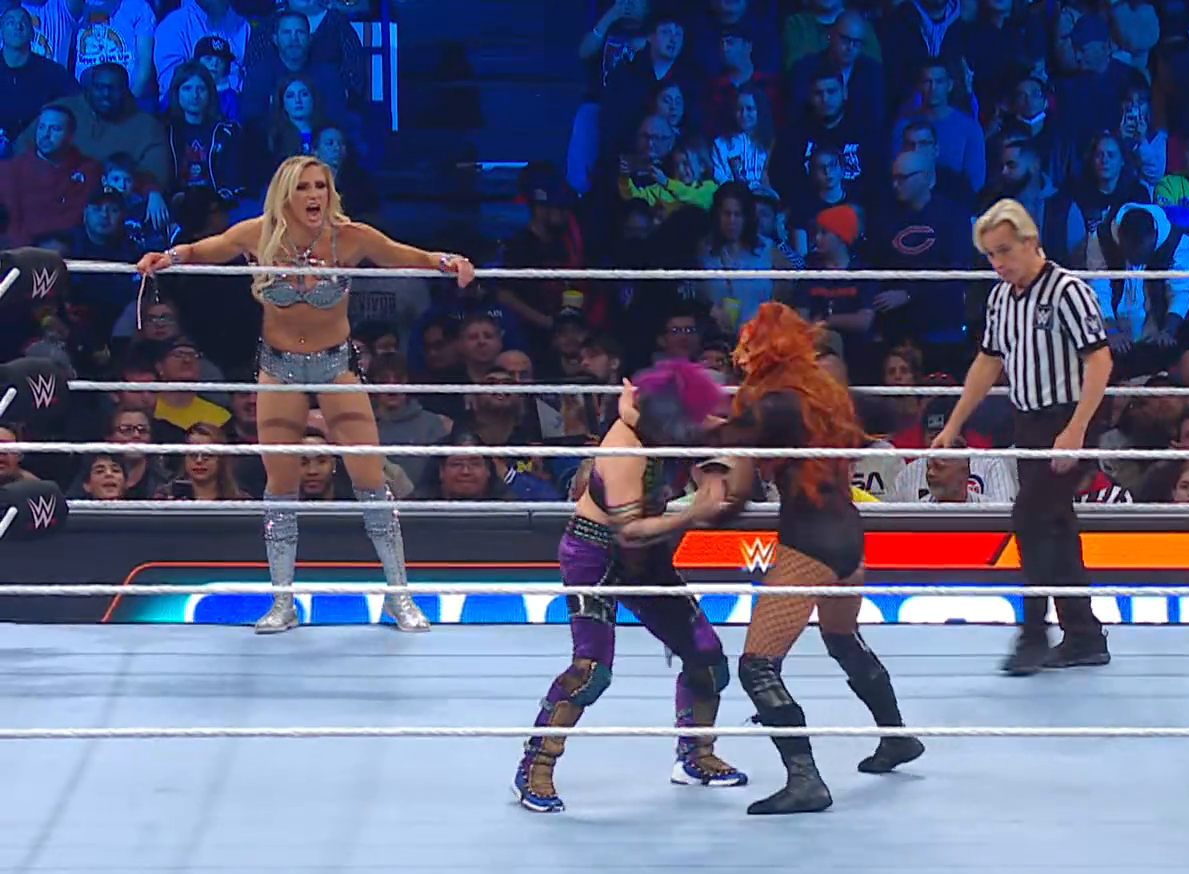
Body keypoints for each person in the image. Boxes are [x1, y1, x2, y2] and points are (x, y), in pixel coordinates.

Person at [134, 156, 476, 634]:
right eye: (304, 187)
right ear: (286, 194)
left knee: (370, 478)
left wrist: (447, 262)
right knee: (280, 486)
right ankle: (282, 602)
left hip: (335, 366)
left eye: (321, 186)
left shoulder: (348, 236)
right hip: (278, 369)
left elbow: (401, 254)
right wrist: (166, 258)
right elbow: (205, 249)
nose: (315, 195)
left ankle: (400, 596)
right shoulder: (258, 234)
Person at [707, 302, 925, 816]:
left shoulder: (778, 404)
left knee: (757, 666)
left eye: (749, 344)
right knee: (842, 637)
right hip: (849, 536)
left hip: (810, 540)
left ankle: (804, 779)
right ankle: (896, 737)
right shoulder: (825, 395)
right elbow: (891, 414)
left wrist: (664, 410)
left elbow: (722, 438)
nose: (741, 354)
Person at [514, 361, 747, 814]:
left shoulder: (668, 419)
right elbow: (630, 531)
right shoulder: (625, 448)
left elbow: (724, 428)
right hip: (596, 552)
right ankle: (533, 767)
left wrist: (718, 465)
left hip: (649, 557)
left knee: (707, 657)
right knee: (591, 670)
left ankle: (695, 755)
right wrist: (692, 514)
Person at [935, 199, 1116, 675]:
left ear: (1030, 241)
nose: (998, 263)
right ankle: (1084, 635)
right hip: (1029, 422)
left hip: (1070, 418)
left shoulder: (1068, 291)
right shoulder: (1000, 298)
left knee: (1030, 517)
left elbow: (1100, 360)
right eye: (990, 255)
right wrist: (953, 424)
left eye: (1004, 251)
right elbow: (987, 361)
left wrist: (1077, 430)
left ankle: (1034, 632)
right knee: (1056, 525)